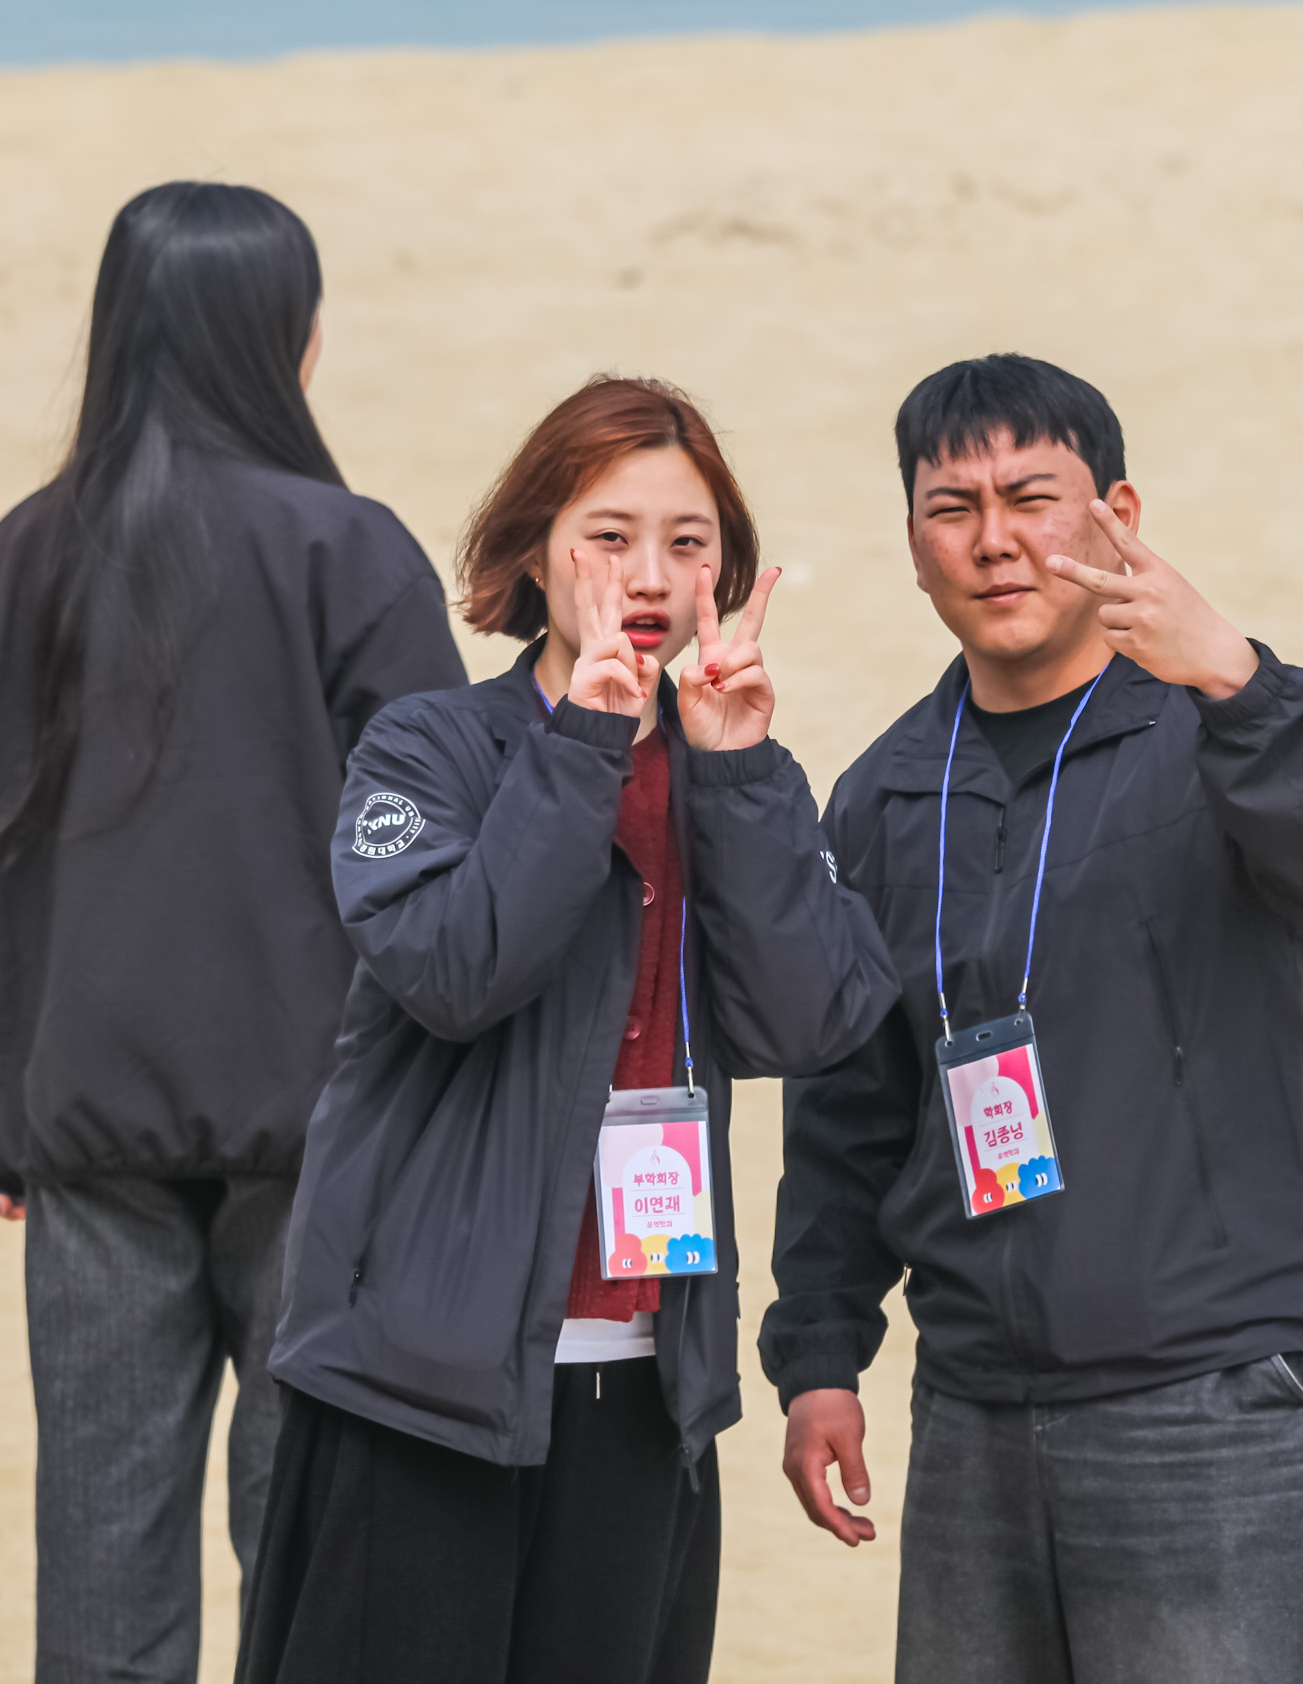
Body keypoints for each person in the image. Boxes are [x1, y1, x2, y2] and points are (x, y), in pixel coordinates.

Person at [760, 354, 1303, 1684]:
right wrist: (820, 1352)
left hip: (1213, 1388)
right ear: (912, 544)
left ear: (1117, 514)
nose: (993, 540)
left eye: (1031, 497)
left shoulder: (1236, 722)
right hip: (974, 1404)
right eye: (953, 508)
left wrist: (1235, 679)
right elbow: (851, 1102)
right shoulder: (885, 792)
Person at [234, 375, 898, 1684]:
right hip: (420, 1381)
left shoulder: (734, 774)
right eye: (609, 535)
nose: (649, 574)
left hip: (649, 1376)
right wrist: (587, 740)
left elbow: (812, 1020)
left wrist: (740, 775)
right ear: (534, 555)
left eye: (689, 541)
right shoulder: (428, 749)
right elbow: (456, 970)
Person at [0, 181, 466, 1684]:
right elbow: (439, 852)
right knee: (308, 1566)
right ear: (288, 340)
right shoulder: (350, 552)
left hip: (88, 1133)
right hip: (328, 1136)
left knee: (104, 1567)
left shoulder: (14, 563)